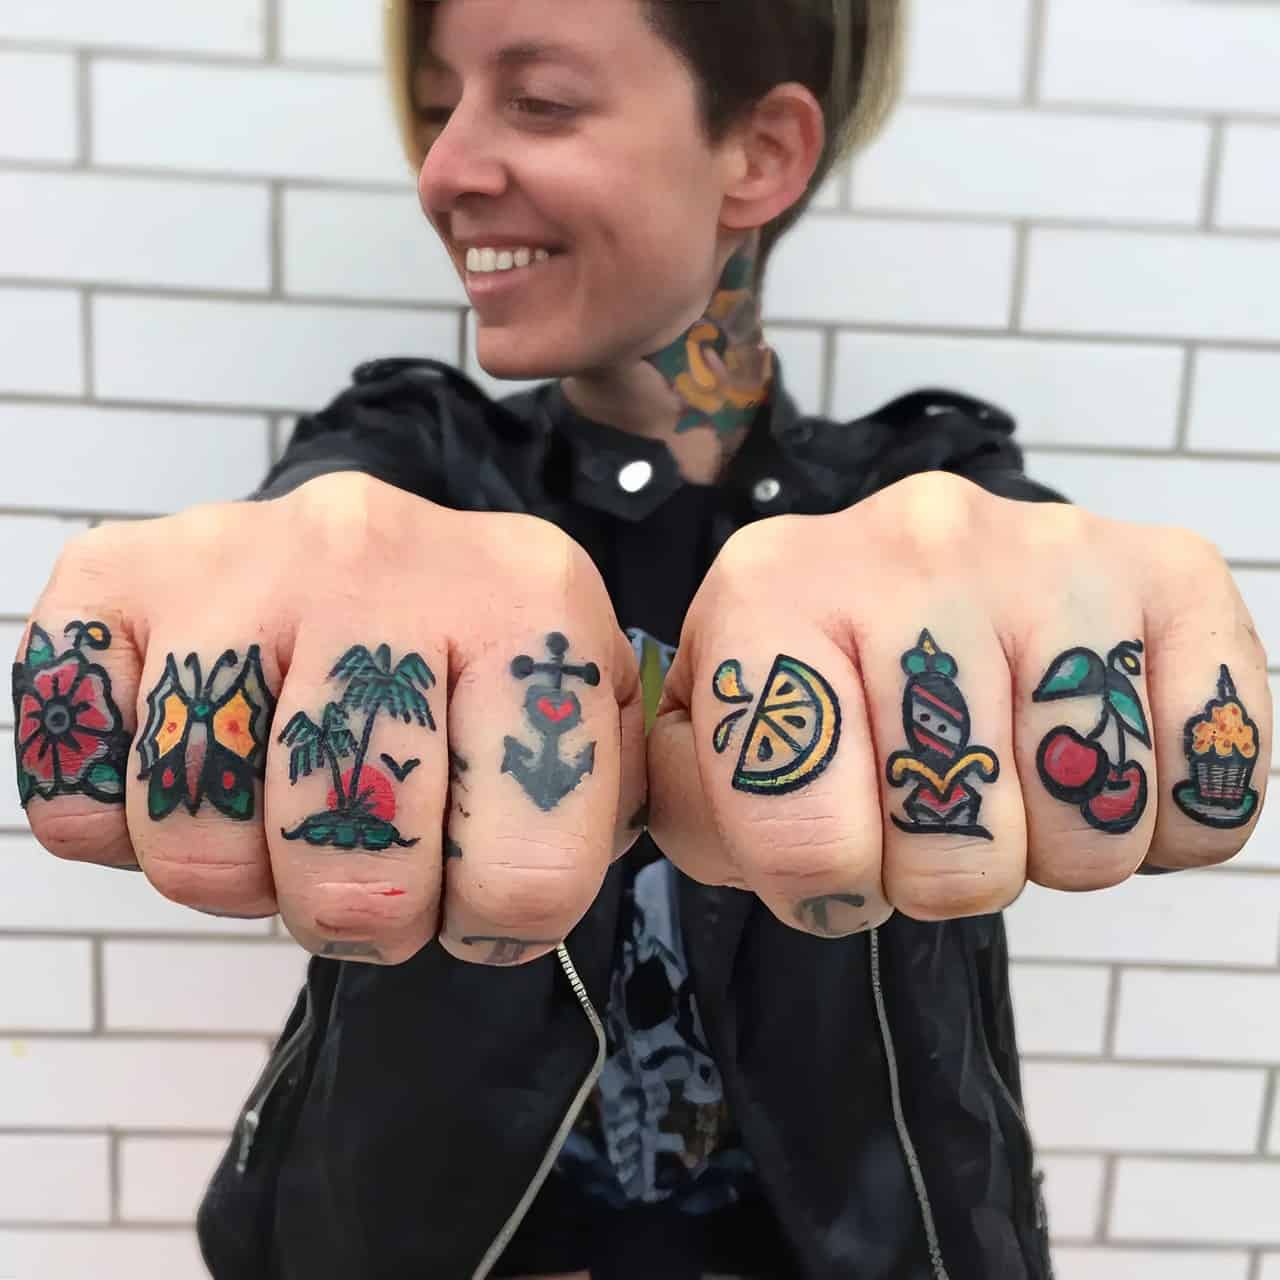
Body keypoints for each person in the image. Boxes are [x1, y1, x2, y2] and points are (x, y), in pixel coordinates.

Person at [10, 1, 1270, 1277]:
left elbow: (1014, 559)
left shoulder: (924, 483)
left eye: (539, 101)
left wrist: (1068, 613)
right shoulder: (412, 459)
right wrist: (280, 577)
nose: (442, 171)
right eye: (439, 108)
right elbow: (325, 521)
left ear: (759, 154)